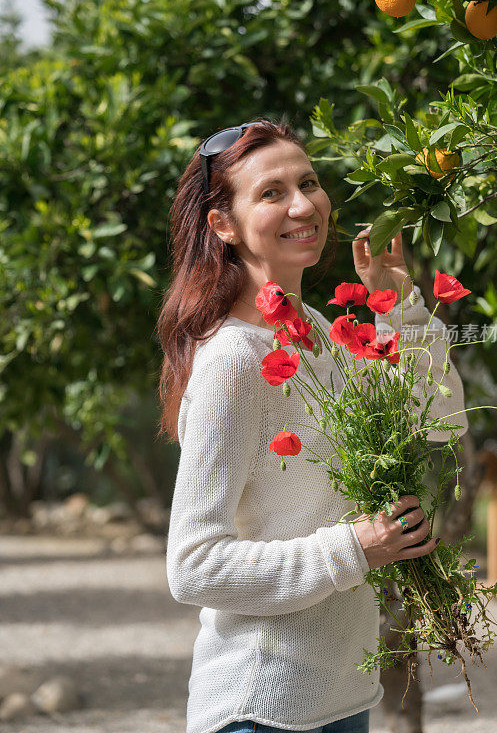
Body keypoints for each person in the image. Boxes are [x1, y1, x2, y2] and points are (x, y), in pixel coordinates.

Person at [158, 119, 469, 733]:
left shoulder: (324, 338)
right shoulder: (231, 362)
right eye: (271, 193)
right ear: (223, 225)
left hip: (344, 697)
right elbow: (192, 566)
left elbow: (442, 421)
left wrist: (401, 305)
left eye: (310, 182)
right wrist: (356, 547)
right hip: (260, 705)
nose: (304, 205)